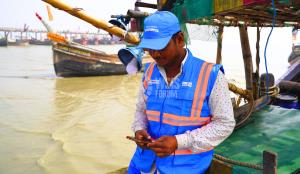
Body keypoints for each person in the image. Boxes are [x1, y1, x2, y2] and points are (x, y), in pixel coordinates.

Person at [128, 11, 235, 174]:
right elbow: (141, 109)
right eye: (150, 48)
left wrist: (178, 142)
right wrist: (139, 129)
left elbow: (225, 124)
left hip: (186, 168)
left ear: (179, 39)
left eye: (161, 47)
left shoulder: (211, 75)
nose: (155, 54)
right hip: (143, 164)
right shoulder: (149, 72)